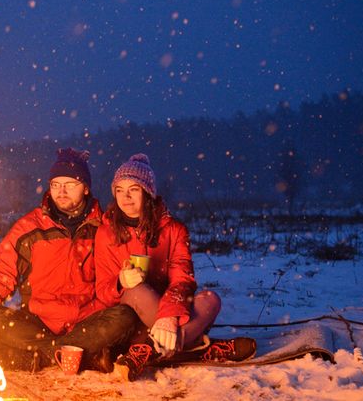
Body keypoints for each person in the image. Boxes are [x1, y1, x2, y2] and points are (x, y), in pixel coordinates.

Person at [0, 148, 139, 373]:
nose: (61, 191)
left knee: (125, 316)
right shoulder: (31, 227)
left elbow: (112, 282)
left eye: (70, 185)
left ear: (86, 188)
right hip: (39, 323)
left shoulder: (104, 227)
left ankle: (37, 357)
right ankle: (74, 355)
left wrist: (123, 280)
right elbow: (2, 272)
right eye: (55, 185)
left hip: (86, 323)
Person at [95, 153, 256, 381]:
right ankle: (199, 347)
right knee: (137, 290)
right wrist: (120, 282)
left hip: (168, 316)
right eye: (119, 190)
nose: (126, 197)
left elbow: (183, 279)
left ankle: (150, 349)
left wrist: (168, 316)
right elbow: (101, 291)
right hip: (132, 321)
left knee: (211, 300)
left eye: (134, 189)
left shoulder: (174, 230)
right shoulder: (105, 233)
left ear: (148, 192)